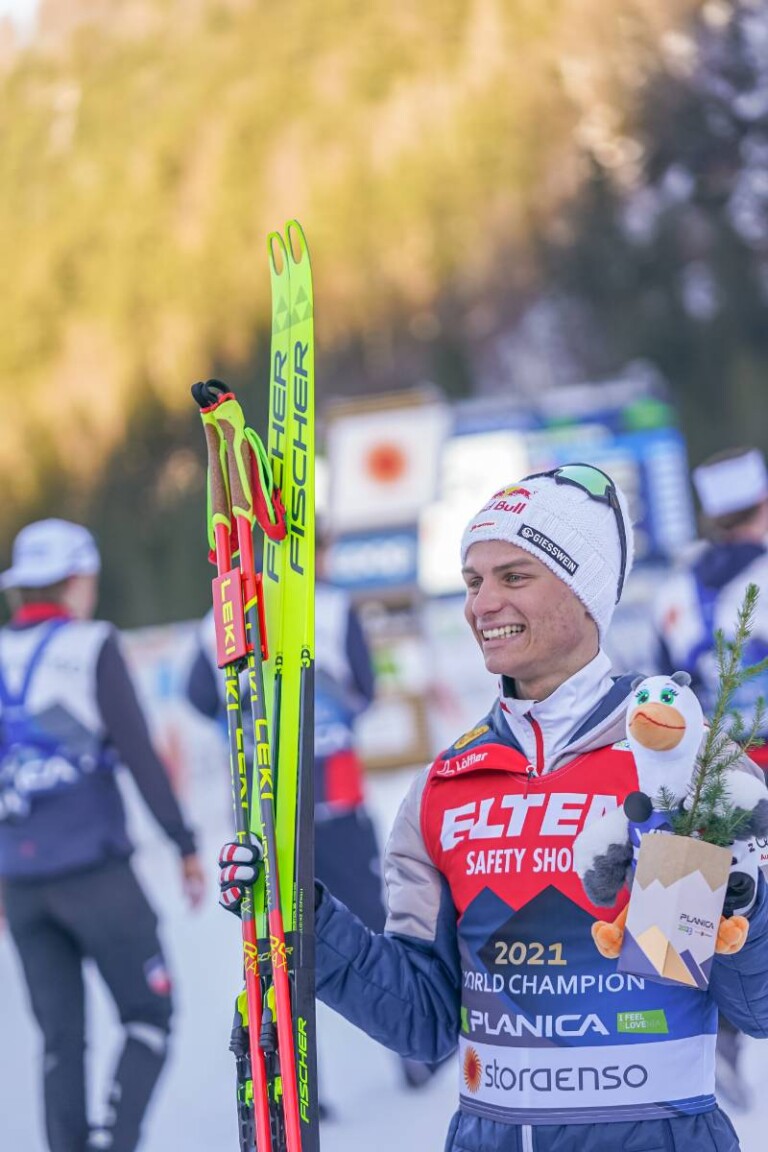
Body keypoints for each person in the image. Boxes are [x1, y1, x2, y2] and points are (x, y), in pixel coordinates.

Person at [218, 464, 768, 1151]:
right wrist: (300, 914)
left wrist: (743, 894)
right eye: (474, 582)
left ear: (585, 589)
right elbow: (422, 1022)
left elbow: (754, 1005)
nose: (482, 605)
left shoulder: (670, 755)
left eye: (514, 577)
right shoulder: (446, 787)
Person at [187, 532, 437, 1090]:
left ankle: (294, 1078)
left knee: (279, 934)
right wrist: (333, 716)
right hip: (333, 789)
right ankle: (409, 1054)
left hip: (264, 801)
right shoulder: (330, 603)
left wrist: (250, 725)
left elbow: (198, 695)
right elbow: (367, 688)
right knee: (374, 919)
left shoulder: (221, 614)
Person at [0, 519, 205, 1152]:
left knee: (62, 1039)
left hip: (23, 885)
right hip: (97, 875)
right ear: (76, 581)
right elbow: (141, 755)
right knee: (149, 1015)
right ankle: (115, 1143)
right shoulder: (93, 644)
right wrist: (184, 844)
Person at [651, 445, 768, 1111]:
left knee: (695, 917)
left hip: (700, 765)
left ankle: (699, 1046)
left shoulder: (673, 590)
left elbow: (661, 692)